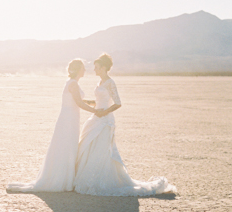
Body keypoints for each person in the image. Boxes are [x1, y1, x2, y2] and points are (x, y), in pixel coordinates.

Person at [73, 53, 177, 196]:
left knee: (102, 149)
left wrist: (105, 112)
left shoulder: (110, 82)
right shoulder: (100, 83)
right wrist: (85, 102)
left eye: (96, 67)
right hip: (96, 118)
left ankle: (100, 179)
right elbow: (100, 101)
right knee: (90, 146)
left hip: (105, 121)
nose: (94, 70)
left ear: (103, 68)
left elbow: (118, 103)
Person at [7, 59, 110, 192]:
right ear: (78, 70)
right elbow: (78, 103)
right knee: (66, 146)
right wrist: (96, 111)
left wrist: (92, 102)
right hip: (68, 119)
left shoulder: (73, 83)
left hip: (70, 118)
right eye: (83, 68)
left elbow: (78, 100)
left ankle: (66, 178)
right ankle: (62, 179)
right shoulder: (72, 83)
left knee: (68, 146)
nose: (85, 70)